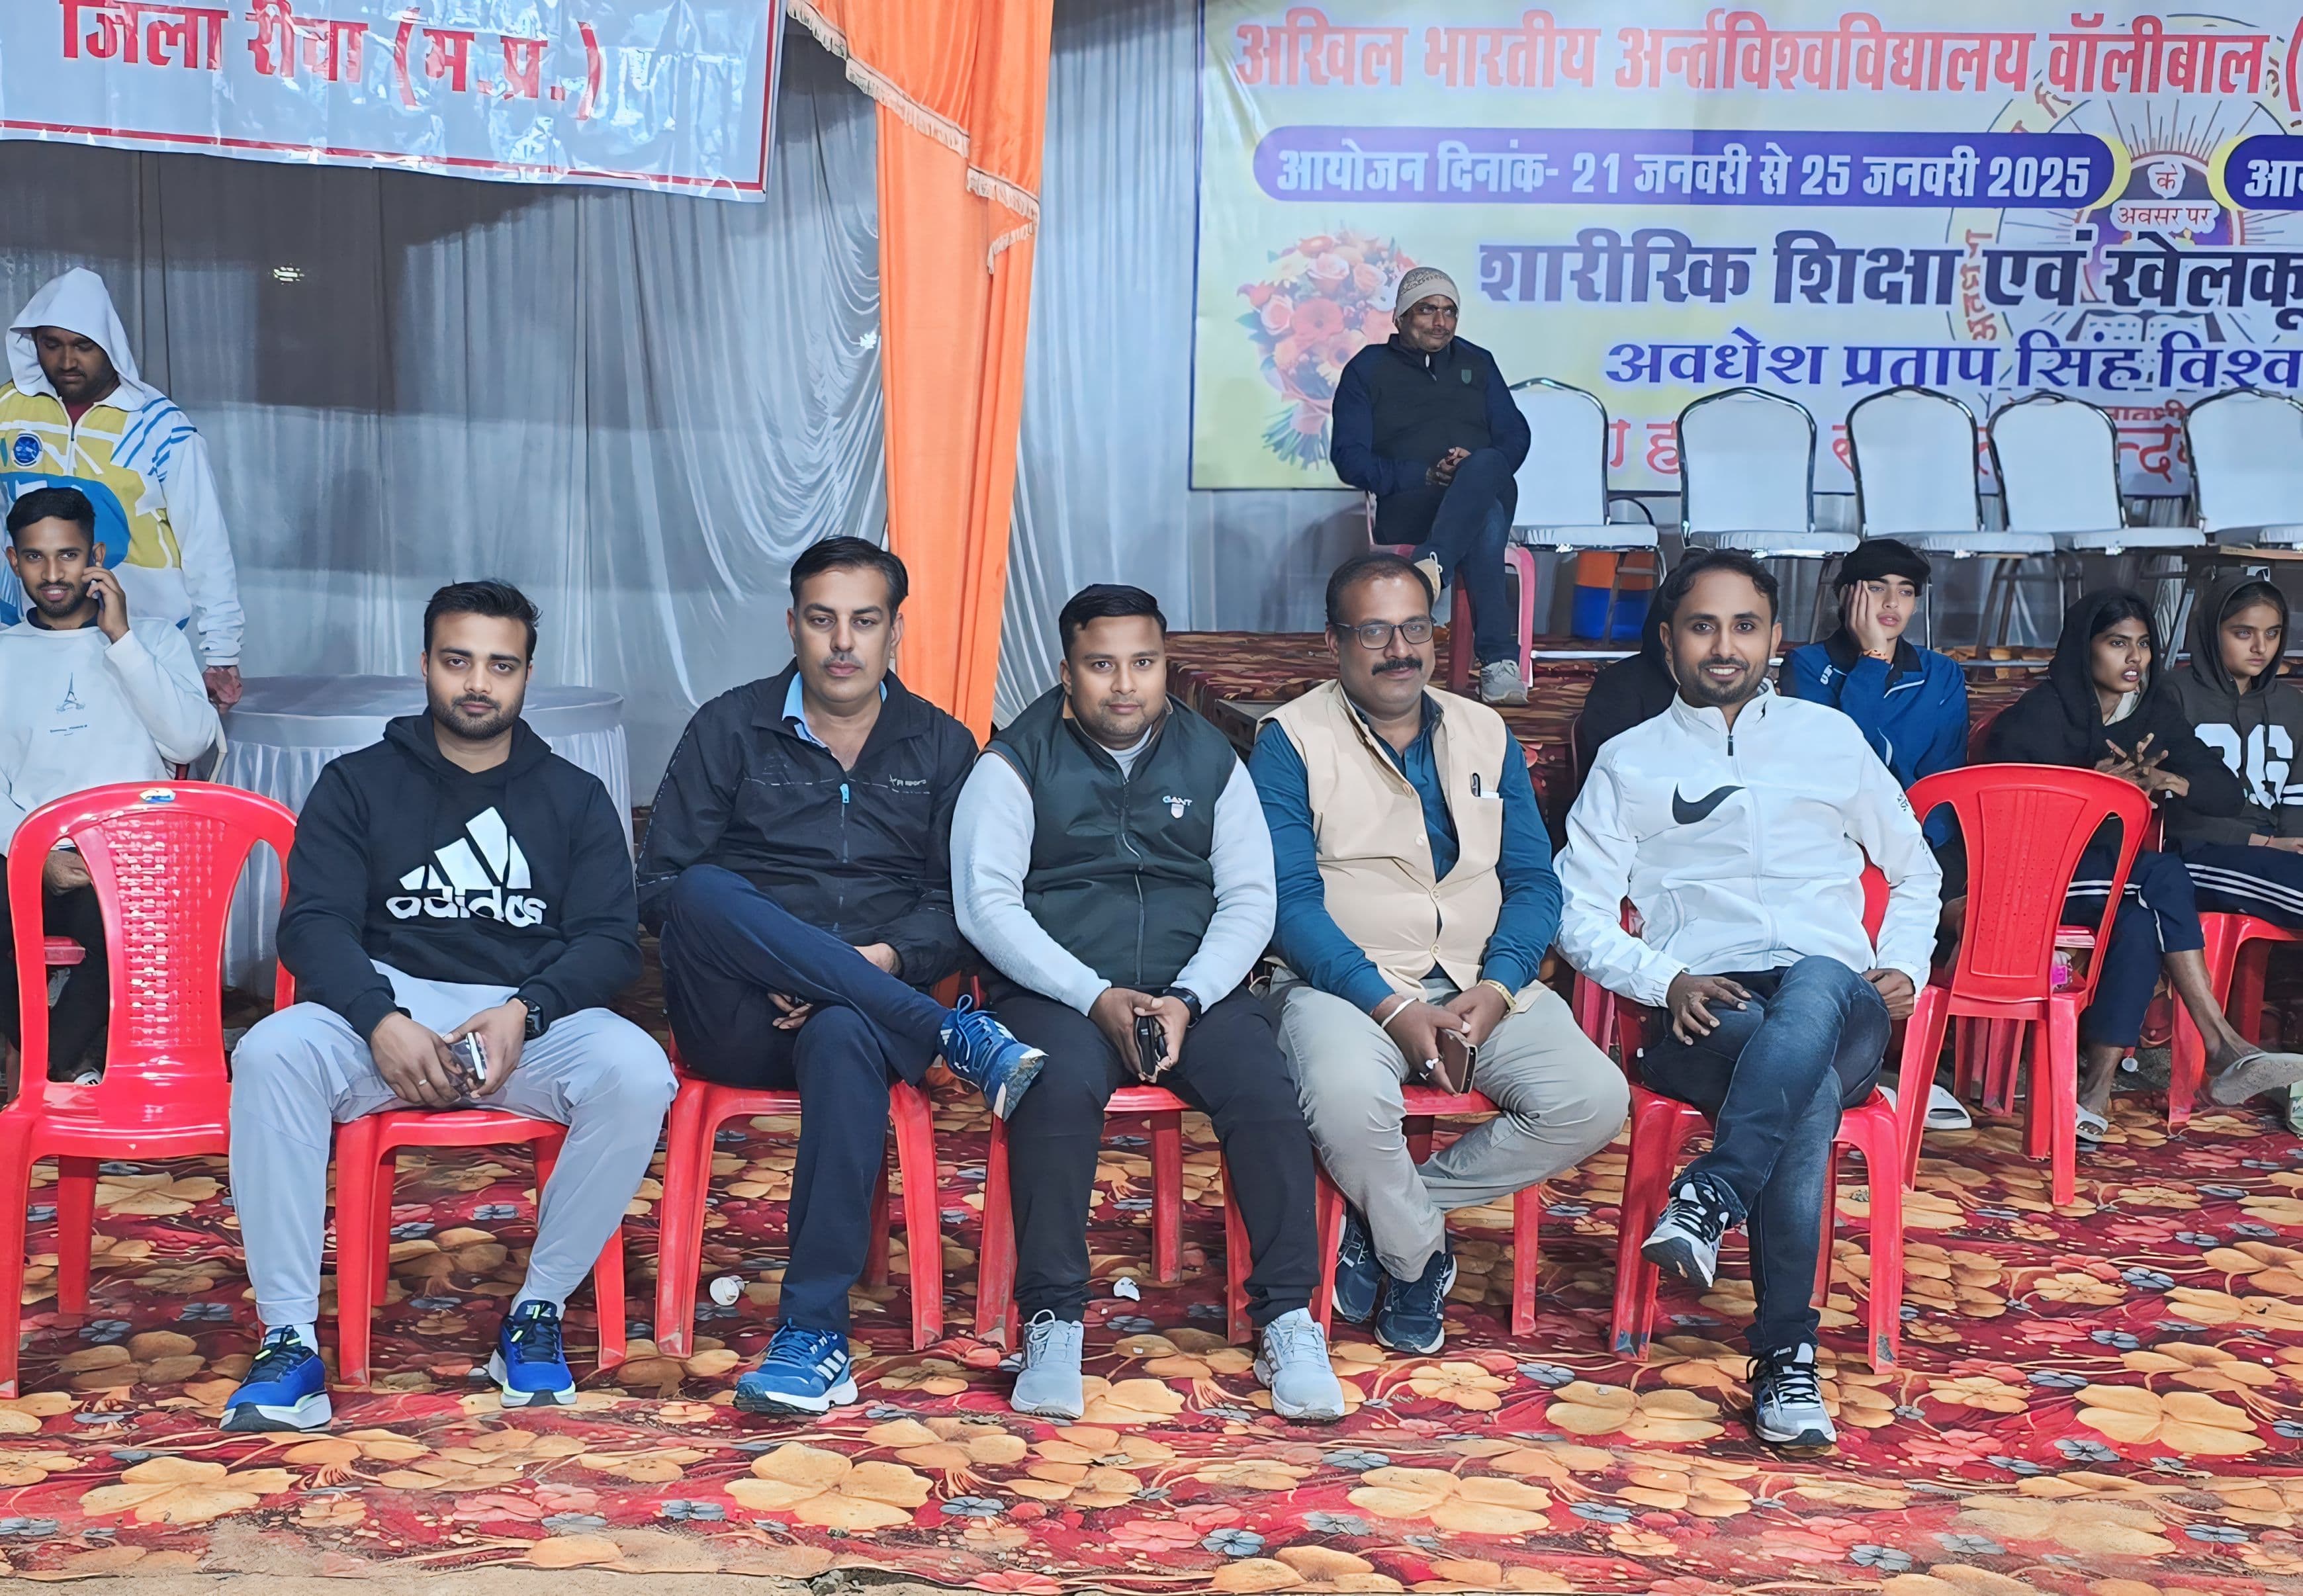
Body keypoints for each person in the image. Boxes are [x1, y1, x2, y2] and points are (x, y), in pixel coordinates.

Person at [222, 581, 674, 1432]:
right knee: (270, 1052)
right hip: (385, 1009)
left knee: (638, 1071)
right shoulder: (357, 783)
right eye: (458, 660)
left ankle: (534, 1314)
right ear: (425, 664)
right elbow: (312, 925)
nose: (478, 683)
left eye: (500, 666)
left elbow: (611, 940)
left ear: (527, 675)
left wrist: (526, 1011)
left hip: (521, 1018)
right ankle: (286, 1338)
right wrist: (378, 1017)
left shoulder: (573, 797)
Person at [635, 537, 1048, 1417]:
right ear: (793, 626)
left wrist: (879, 964)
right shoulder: (728, 727)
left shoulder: (942, 745)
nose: (842, 644)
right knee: (709, 890)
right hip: (737, 1013)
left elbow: (957, 903)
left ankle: (814, 1335)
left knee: (845, 1028)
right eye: (822, 622)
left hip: (862, 1018)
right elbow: (663, 890)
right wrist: (775, 957)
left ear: (897, 631)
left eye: (864, 622)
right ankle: (955, 1037)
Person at [1557, 551, 1942, 1450]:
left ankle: (1712, 1196)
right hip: (1705, 1008)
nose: (1724, 646)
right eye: (1702, 625)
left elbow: (1916, 868)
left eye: (1744, 626)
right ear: (1669, 640)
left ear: (1775, 638)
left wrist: (1904, 968)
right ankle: (1785, 1358)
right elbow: (1576, 918)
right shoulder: (1629, 762)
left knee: (1813, 980)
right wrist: (1665, 980)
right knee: (1797, 1085)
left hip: (1837, 998)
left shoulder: (1829, 740)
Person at [952, 584, 1345, 1423]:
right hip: (1057, 988)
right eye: (1101, 666)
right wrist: (1094, 997)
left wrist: (1191, 998)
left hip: (1192, 986)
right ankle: (1053, 1317)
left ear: (1167, 666)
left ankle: (1288, 1315)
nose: (1124, 685)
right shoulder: (1013, 762)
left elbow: (1250, 899)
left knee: (1267, 1093)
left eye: (1144, 663)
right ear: (1066, 674)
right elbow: (986, 904)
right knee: (1053, 1090)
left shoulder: (1213, 760)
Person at [1250, 552, 1626, 1354]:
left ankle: (1386, 1212)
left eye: (1415, 628)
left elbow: (1531, 878)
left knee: (1594, 1098)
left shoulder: (1483, 728)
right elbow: (1286, 902)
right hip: (1342, 984)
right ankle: (1418, 1258)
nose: (1399, 650)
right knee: (1350, 1102)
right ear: (1334, 642)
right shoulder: (1290, 740)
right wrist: (1390, 1006)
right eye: (1375, 631)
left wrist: (1499, 986)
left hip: (1475, 977)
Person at [1981, 589, 2303, 1141]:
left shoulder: (2150, 713)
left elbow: (2224, 792)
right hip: (2024, 872)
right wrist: (2094, 787)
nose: (2135, 659)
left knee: (2137, 923)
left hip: (2108, 879)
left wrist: (2170, 781)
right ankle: (2222, 1044)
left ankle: (2095, 1090)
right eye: (2117, 644)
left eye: (2144, 645)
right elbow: (2005, 809)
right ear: (2087, 650)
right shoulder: (2038, 716)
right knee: (2160, 874)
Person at [0, 486, 218, 1084]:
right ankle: (66, 1066)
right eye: (35, 557)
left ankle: (44, 1073)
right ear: (14, 560)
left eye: (68, 555)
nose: (52, 573)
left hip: (132, 858)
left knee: (129, 938)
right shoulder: (5, 653)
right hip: (26, 853)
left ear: (96, 555)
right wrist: (32, 851)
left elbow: (189, 743)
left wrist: (121, 640)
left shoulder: (155, 643)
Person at [1783, 539, 1972, 1130]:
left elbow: (1944, 776)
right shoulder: (1809, 667)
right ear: (1847, 595)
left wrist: (1914, 842)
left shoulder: (1941, 675)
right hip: (1835, 834)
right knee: (1857, 896)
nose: (1893, 604)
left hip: (1919, 835)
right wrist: (1867, 661)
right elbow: (1835, 757)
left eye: (1907, 592)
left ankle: (1928, 1066)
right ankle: (1864, 1065)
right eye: (1878, 588)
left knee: (1971, 909)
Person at [1, 270, 244, 706]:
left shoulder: (160, 428)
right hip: (24, 641)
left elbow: (206, 543)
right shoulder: (7, 412)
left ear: (109, 344)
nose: (67, 361)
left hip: (141, 641)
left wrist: (221, 653)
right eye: (51, 344)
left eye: (83, 346)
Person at [1330, 265, 1532, 709]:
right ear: (1401, 316)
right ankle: (1499, 662)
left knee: (1487, 464)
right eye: (1427, 310)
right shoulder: (1367, 369)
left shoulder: (1477, 363)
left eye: (1450, 312)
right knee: (1487, 516)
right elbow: (1349, 458)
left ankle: (1432, 563)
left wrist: (1474, 467)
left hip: (1483, 488)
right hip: (1411, 504)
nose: (1440, 323)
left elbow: (1516, 436)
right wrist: (1425, 474)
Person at [2168, 576, 2303, 1132]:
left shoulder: (2290, 704)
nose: (2259, 647)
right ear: (2211, 631)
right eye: (2242, 632)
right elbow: (2168, 804)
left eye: (2272, 634)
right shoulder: (2175, 695)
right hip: (2197, 853)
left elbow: (2297, 789)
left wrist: (2289, 839)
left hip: (2276, 856)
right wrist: (2260, 843)